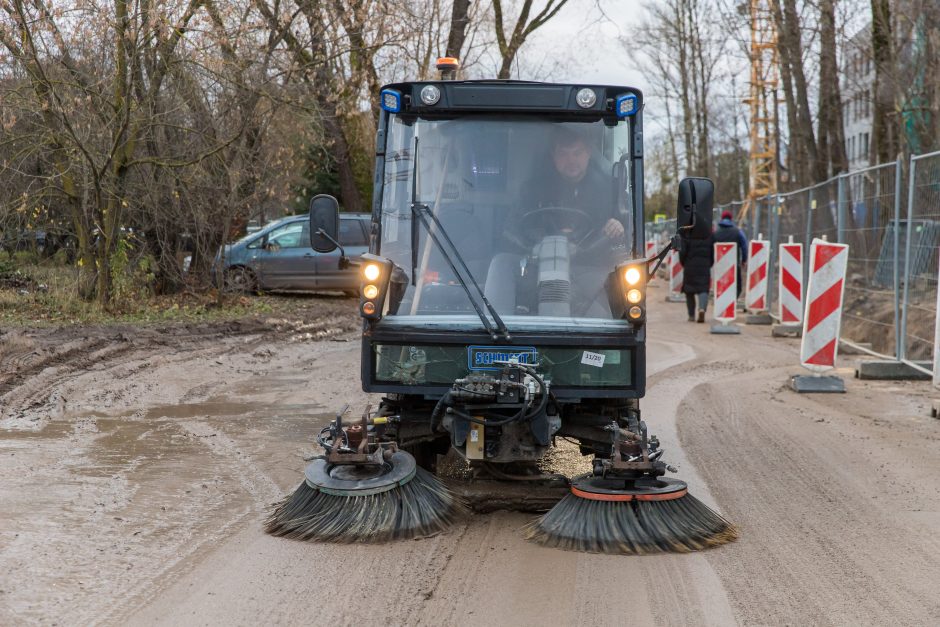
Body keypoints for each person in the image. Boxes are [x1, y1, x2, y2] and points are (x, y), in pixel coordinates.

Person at [486, 127, 626, 317]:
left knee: (617, 281)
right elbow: (511, 229)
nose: (571, 161)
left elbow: (625, 226)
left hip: (587, 270)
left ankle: (602, 340)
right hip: (533, 268)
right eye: (564, 154)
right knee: (501, 262)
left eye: (577, 153)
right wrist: (533, 243)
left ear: (588, 153)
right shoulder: (532, 189)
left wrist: (618, 226)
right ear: (553, 155)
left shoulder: (609, 190)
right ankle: (496, 329)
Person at [679, 229, 715, 322]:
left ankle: (691, 315)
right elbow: (712, 252)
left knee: (689, 290)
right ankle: (702, 309)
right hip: (704, 266)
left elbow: (682, 252)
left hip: (689, 266)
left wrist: (684, 263)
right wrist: (709, 263)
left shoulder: (687, 234)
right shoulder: (709, 234)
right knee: (703, 289)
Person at [713, 210, 748, 297]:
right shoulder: (738, 232)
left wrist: (711, 260)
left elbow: (710, 246)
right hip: (734, 264)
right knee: (737, 285)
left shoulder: (716, 233)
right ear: (731, 219)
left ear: (722, 219)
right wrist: (744, 260)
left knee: (721, 283)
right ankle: (733, 300)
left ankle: (722, 300)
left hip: (720, 263)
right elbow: (744, 246)